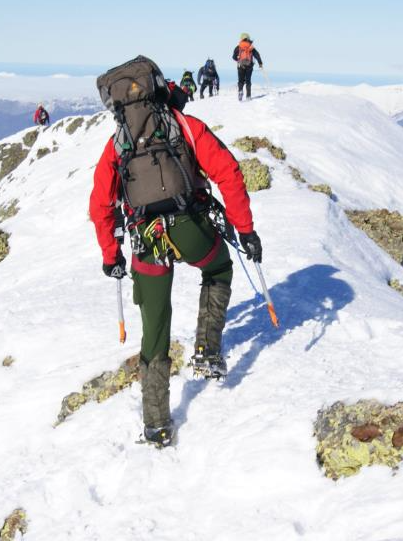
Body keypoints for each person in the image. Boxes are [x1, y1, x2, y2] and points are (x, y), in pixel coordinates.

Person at [91, 56, 263, 447]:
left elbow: (100, 205)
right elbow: (228, 173)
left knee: (155, 330)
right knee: (218, 268)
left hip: (145, 239)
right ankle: (207, 352)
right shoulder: (183, 125)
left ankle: (156, 423)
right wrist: (245, 229)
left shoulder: (118, 144)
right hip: (190, 228)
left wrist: (110, 254)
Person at [232, 33, 263, 101]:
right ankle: (248, 96)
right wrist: (260, 63)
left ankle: (240, 91)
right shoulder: (251, 47)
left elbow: (233, 57)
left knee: (240, 80)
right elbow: (257, 55)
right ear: (248, 38)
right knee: (248, 81)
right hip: (249, 66)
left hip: (240, 66)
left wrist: (238, 60)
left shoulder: (238, 47)